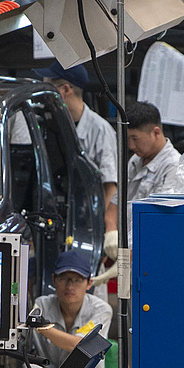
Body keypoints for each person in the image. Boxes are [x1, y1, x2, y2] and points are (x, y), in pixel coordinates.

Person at [16, 248, 120, 368]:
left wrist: (44, 327)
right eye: (64, 278)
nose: (70, 285)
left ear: (89, 283)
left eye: (78, 279)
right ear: (54, 279)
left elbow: (79, 346)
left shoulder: (101, 309)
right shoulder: (42, 304)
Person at [50, 77, 122, 257]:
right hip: (63, 217)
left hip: (89, 225)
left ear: (65, 89)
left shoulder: (100, 130)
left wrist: (101, 231)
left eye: (50, 88)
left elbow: (110, 185)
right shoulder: (54, 124)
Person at [124, 101, 184, 200]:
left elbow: (160, 211)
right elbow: (116, 203)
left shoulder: (174, 167)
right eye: (128, 139)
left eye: (135, 139)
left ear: (156, 133)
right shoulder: (135, 160)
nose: (131, 146)